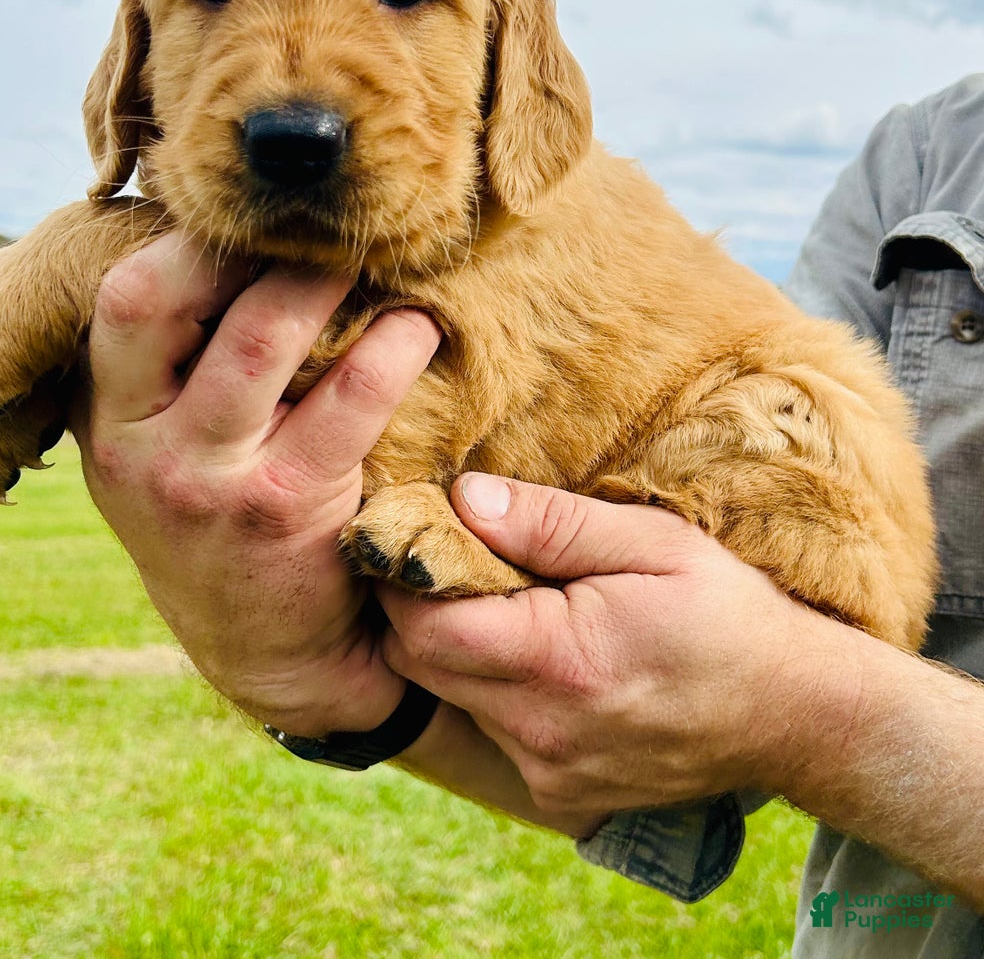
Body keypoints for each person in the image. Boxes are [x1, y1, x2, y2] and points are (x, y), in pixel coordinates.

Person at [71, 75, 984, 956]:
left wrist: (823, 710)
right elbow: (663, 712)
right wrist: (328, 686)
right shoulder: (924, 153)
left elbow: (799, 629)